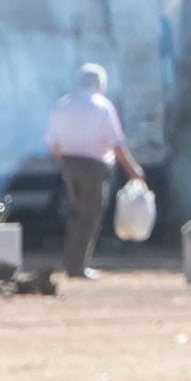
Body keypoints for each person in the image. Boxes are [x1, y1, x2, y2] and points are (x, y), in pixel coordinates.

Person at [45, 62, 146, 279]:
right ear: (99, 83)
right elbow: (116, 143)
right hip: (94, 166)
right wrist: (132, 169)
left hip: (68, 164)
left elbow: (52, 143)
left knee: (76, 214)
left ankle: (72, 262)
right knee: (90, 215)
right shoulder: (102, 105)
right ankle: (78, 266)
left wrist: (66, 162)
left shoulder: (63, 104)